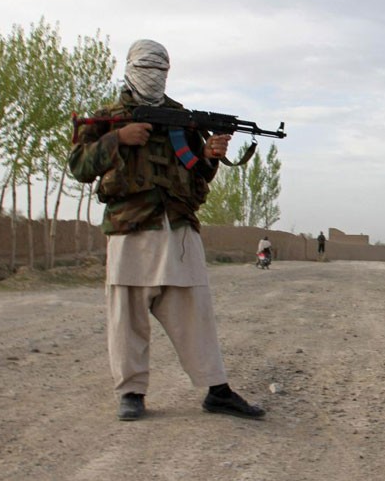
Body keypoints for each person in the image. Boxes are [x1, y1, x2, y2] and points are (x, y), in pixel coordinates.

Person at [68, 39, 266, 421]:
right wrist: (117, 139)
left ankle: (216, 389)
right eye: (147, 69)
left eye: (161, 70)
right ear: (129, 70)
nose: (154, 77)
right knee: (127, 314)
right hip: (130, 228)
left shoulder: (182, 119)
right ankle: (131, 392)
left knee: (195, 310)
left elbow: (196, 170)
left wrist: (211, 155)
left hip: (177, 225)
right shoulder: (106, 118)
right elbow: (79, 166)